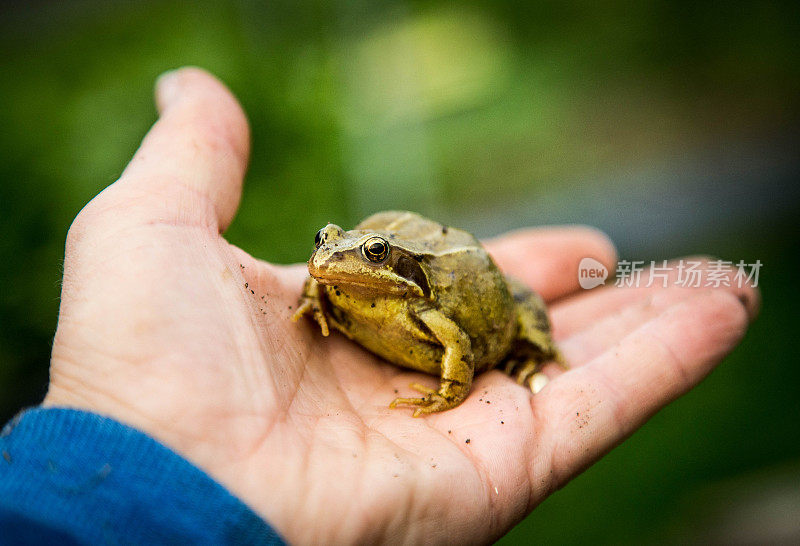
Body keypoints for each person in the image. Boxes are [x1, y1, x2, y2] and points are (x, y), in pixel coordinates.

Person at [0, 67, 759, 544]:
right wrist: (320, 302)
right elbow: (320, 279)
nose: (335, 263)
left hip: (468, 290)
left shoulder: (420, 306)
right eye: (329, 247)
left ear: (388, 264)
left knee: (531, 316)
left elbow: (457, 347)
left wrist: (448, 396)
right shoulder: (334, 278)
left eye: (362, 256)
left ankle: (528, 346)